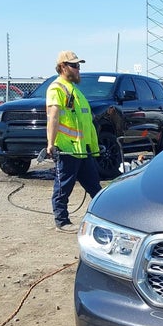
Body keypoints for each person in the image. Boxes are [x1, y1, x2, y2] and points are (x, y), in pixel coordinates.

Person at [46, 50, 102, 232]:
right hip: (68, 148)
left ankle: (105, 217)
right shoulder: (57, 88)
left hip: (82, 149)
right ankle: (61, 221)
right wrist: (51, 144)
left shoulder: (74, 89)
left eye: (79, 66)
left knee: (95, 187)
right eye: (75, 65)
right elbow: (53, 117)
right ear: (63, 67)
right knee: (63, 187)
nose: (78, 69)